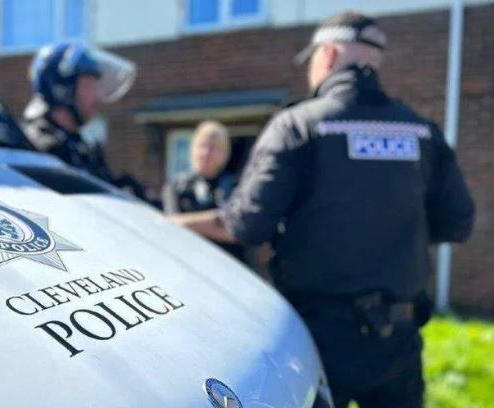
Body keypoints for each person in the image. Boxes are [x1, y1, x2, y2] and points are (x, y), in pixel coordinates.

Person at [171, 12, 475, 407]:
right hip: (399, 339)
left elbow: (246, 225)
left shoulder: (298, 126)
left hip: (319, 340)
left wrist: (166, 222)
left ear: (328, 55)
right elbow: (459, 223)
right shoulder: (421, 131)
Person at [23, 42, 136, 185]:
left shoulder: (80, 147)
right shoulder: (39, 149)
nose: (96, 97)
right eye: (88, 85)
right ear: (61, 90)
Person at [162, 121, 247, 261]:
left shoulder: (237, 187)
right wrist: (216, 220)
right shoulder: (176, 188)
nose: (206, 153)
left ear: (225, 153)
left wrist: (186, 222)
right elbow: (171, 227)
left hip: (231, 267)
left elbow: (238, 230)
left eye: (214, 148)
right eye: (202, 146)